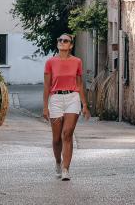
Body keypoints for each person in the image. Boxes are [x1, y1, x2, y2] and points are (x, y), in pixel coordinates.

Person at [43, 33, 90, 181]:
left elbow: (79, 84)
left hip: (72, 98)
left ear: (70, 45)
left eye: (66, 41)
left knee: (67, 134)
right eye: (60, 40)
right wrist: (45, 106)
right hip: (56, 99)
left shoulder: (77, 62)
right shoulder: (50, 62)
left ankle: (65, 169)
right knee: (56, 139)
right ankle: (58, 161)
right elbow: (46, 86)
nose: (62, 42)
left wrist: (85, 105)